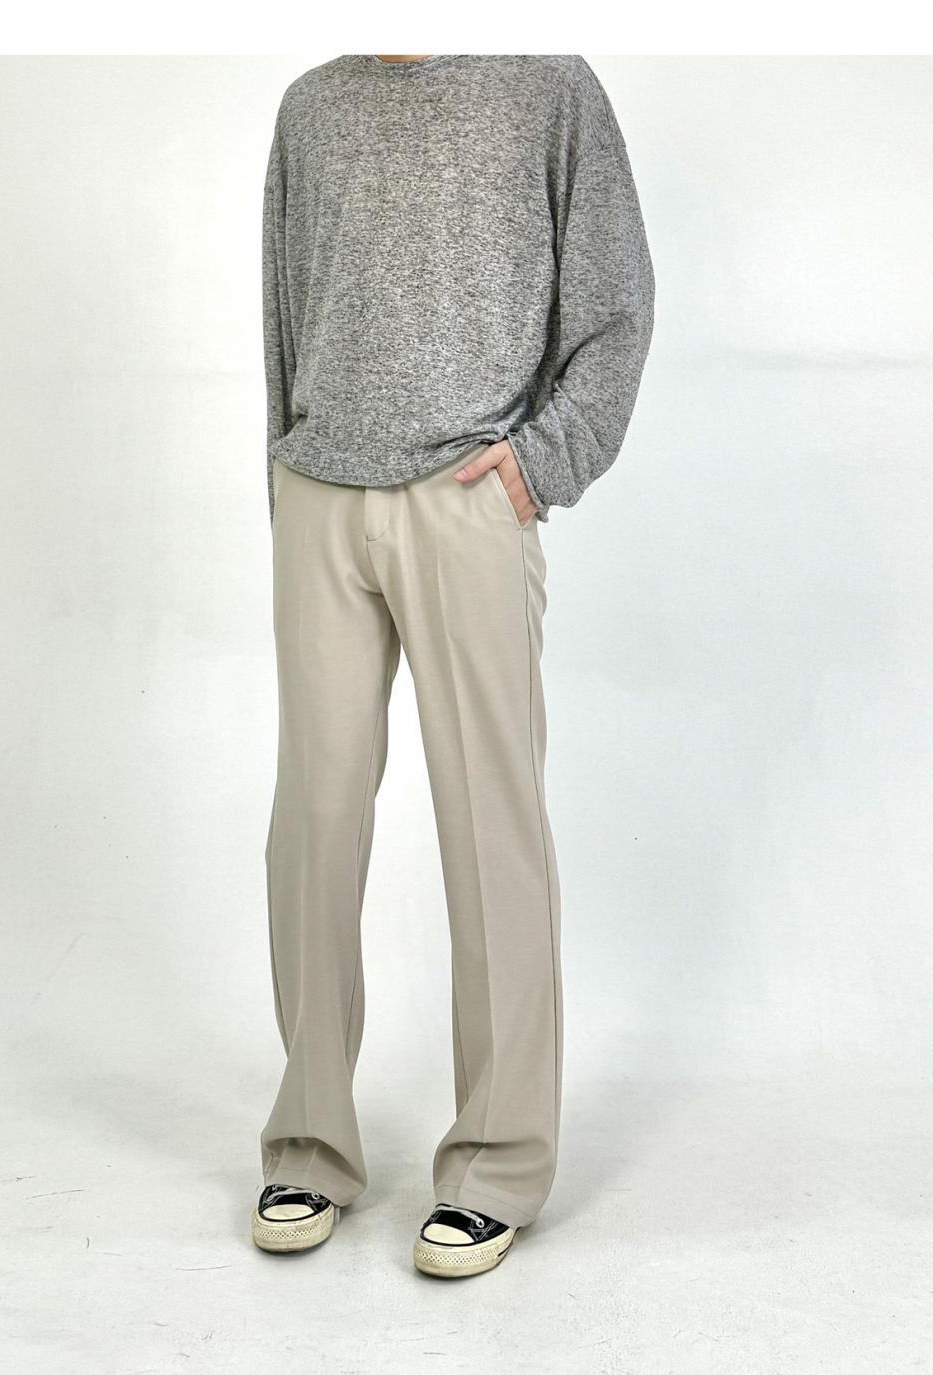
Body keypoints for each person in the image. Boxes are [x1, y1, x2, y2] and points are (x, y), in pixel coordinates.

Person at [251, 52, 655, 1278]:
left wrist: (543, 463)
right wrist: (284, 484)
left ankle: (497, 1164)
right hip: (322, 493)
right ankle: (309, 1144)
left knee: (491, 826)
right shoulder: (312, 102)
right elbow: (282, 315)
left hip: (471, 492)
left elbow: (615, 305)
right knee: (313, 821)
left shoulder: (547, 84)